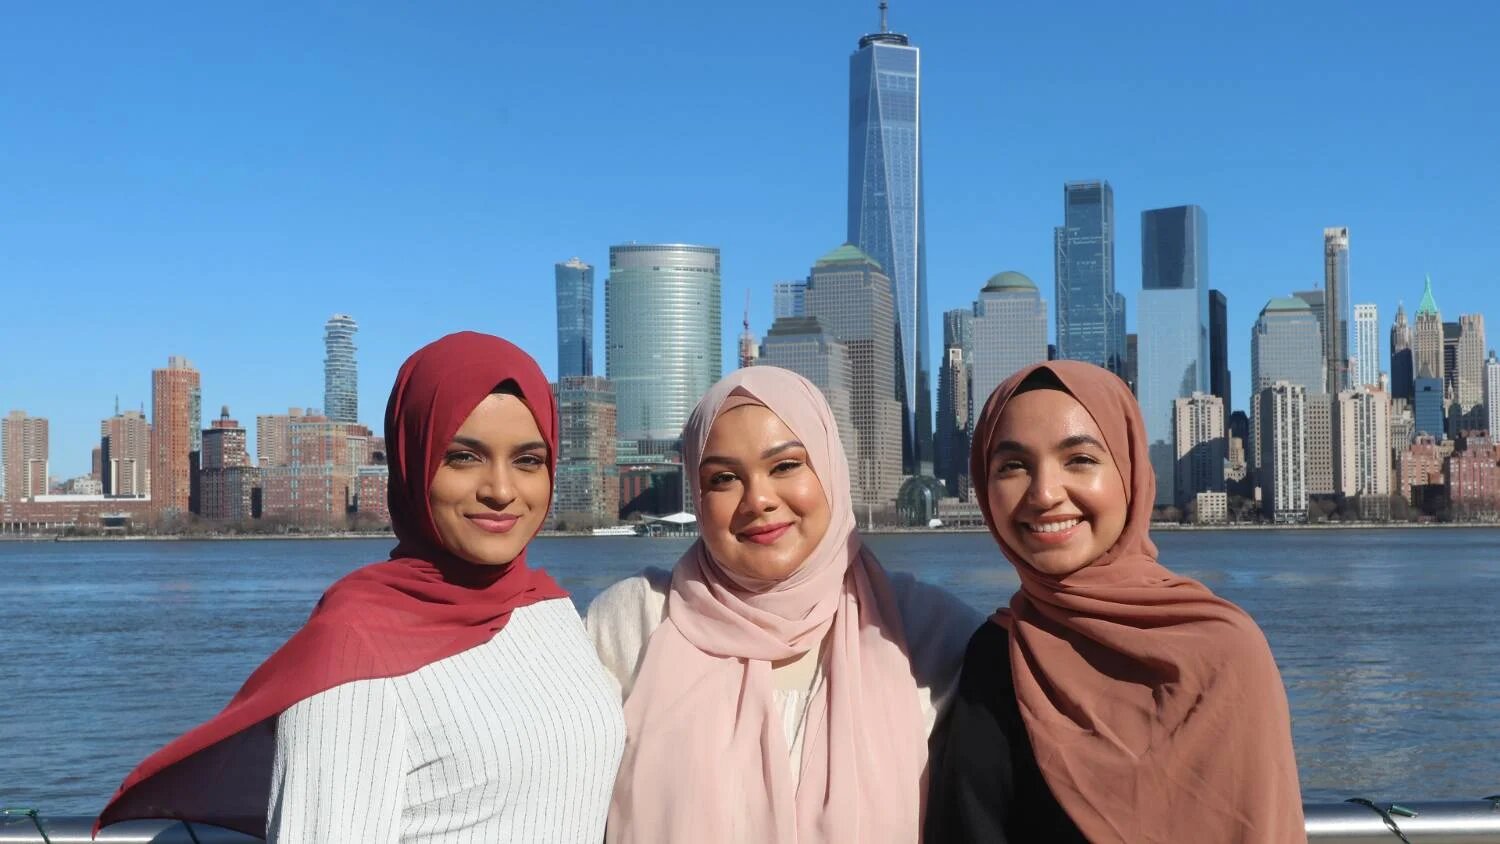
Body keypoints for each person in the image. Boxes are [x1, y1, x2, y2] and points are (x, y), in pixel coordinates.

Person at [97, 331, 625, 843]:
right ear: (412, 463)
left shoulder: (551, 612)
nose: (502, 490)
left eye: (528, 461)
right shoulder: (353, 655)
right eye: (463, 457)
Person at [587, 366, 980, 843]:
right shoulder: (634, 623)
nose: (758, 500)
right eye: (724, 478)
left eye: (786, 466)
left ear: (830, 469)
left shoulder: (926, 632)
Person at [925, 361, 1303, 843]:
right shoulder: (997, 656)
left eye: (1079, 459)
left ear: (1129, 474)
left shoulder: (1226, 654)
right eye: (1013, 466)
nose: (1044, 494)